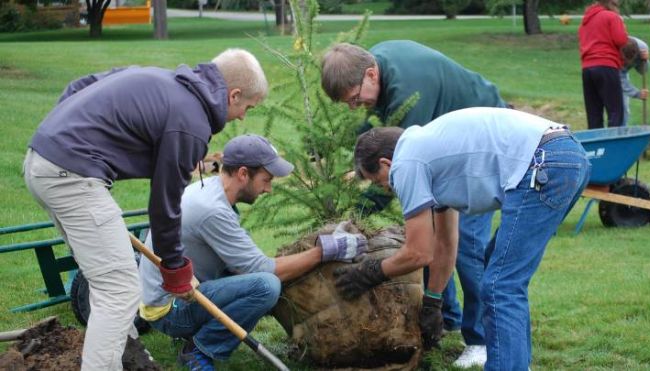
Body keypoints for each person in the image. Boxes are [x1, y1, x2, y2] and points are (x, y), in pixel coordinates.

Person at [23, 48, 268, 370]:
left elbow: (80, 85)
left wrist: (60, 138)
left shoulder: (161, 80)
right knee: (120, 289)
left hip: (41, 162)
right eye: (247, 107)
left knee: (106, 280)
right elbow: (165, 204)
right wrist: (176, 269)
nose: (243, 116)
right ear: (234, 95)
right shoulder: (190, 123)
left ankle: (131, 358)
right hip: (71, 178)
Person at [336, 107, 590, 371]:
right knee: (503, 277)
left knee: (500, 284)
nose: (386, 189)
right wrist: (433, 301)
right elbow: (445, 244)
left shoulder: (406, 163)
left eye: (378, 181)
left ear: (386, 163)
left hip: (545, 163)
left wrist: (370, 272)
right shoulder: (428, 155)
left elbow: (418, 252)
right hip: (567, 156)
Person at [321, 40, 507, 367]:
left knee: (466, 246)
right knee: (432, 237)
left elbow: (403, 164)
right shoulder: (377, 66)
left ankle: (481, 340)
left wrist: (357, 213)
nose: (355, 107)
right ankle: (446, 318)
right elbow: (376, 136)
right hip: (447, 154)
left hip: (480, 156)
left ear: (370, 74)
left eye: (354, 99)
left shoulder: (409, 94)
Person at [138, 134, 367, 370]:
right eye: (266, 180)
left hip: (179, 292)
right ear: (243, 174)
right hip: (171, 309)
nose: (268, 189)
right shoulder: (212, 210)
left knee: (260, 281)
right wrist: (325, 251)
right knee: (266, 286)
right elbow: (263, 270)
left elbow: (246, 262)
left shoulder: (212, 193)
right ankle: (200, 349)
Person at [578, 0, 629, 129]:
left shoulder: (586, 20)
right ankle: (614, 143)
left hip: (587, 68)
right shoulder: (611, 16)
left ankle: (597, 145)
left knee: (594, 112)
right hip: (606, 65)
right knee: (615, 111)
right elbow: (621, 39)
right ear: (611, 3)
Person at [620, 36, 650, 126]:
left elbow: (643, 71)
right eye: (626, 61)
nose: (628, 63)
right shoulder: (615, 48)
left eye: (630, 61)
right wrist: (636, 93)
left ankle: (623, 132)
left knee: (624, 108)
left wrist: (645, 60)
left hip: (622, 72)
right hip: (607, 70)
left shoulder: (643, 48)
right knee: (617, 109)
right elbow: (619, 78)